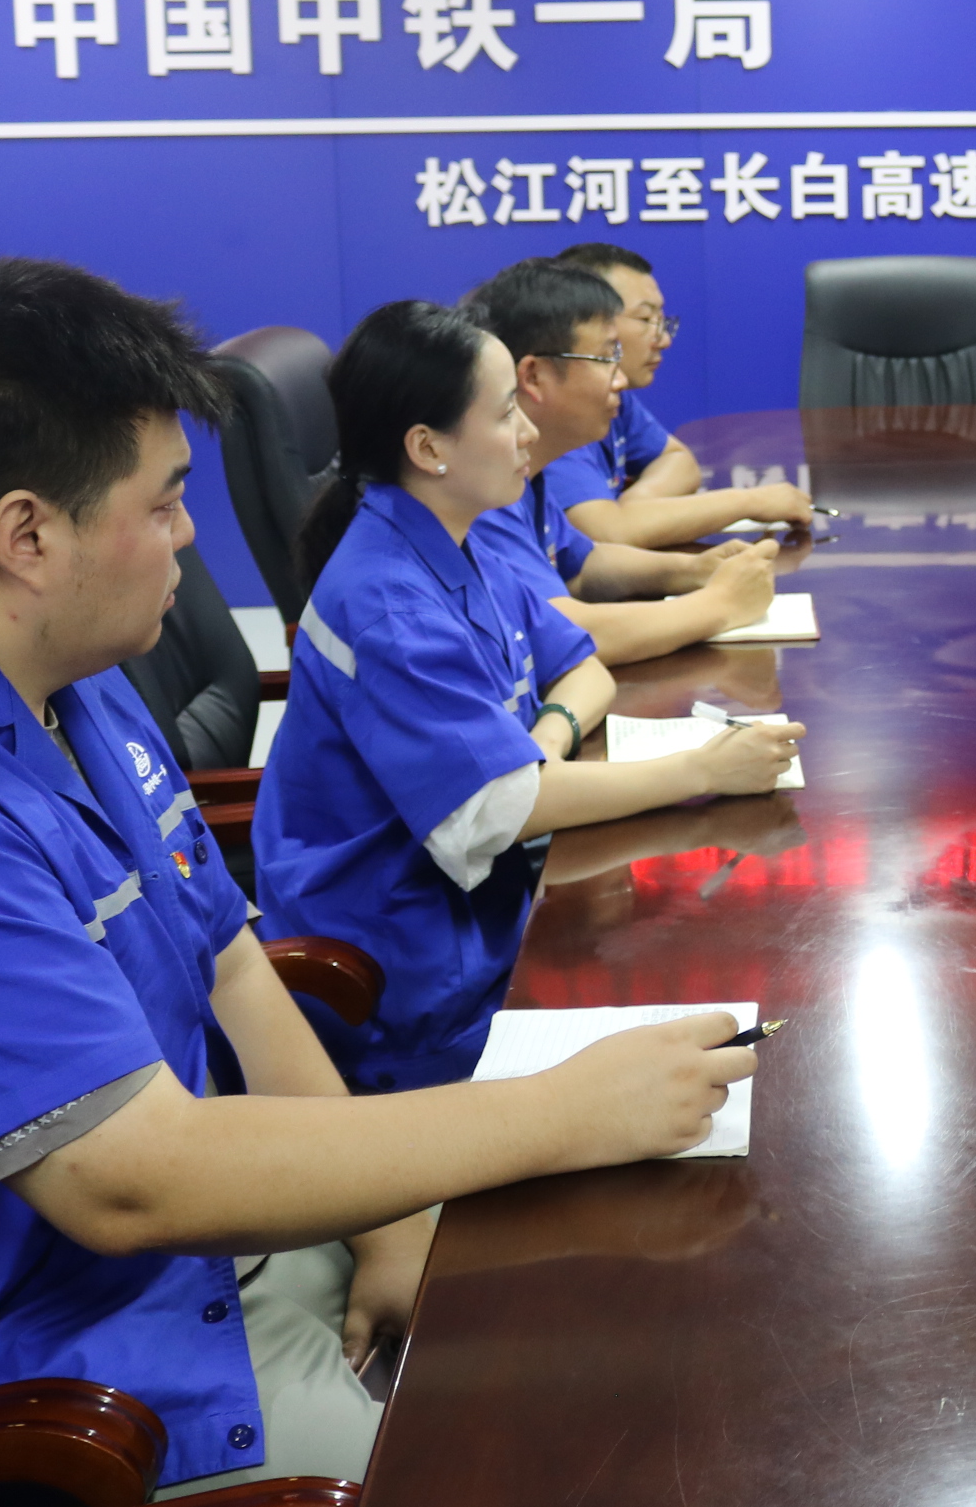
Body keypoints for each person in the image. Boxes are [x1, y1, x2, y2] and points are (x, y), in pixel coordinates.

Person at [0, 259, 759, 1501]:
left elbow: (228, 962)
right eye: (167, 501)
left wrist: (393, 1228)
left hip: (165, 1269)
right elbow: (131, 1182)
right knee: (543, 1474)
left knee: (600, 1316)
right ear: (28, 535)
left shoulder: (54, 666)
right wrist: (564, 1112)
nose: (192, 534)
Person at [251, 300, 800, 1093]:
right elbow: (497, 809)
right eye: (507, 411)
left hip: (492, 909)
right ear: (427, 447)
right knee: (722, 1047)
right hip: (413, 979)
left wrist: (543, 743)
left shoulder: (455, 539)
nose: (529, 432)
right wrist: (703, 770)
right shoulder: (390, 603)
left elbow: (585, 668)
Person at [457, 259, 779, 663]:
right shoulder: (478, 488)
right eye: (606, 357)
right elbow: (564, 634)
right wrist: (720, 604)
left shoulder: (525, 473)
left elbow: (583, 564)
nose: (621, 379)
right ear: (534, 376)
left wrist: (694, 569)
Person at [549, 243, 815, 549]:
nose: (664, 340)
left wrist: (636, 507)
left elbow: (678, 461)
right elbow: (608, 535)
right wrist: (750, 501)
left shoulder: (615, 394)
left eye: (662, 321)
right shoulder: (555, 413)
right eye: (645, 320)